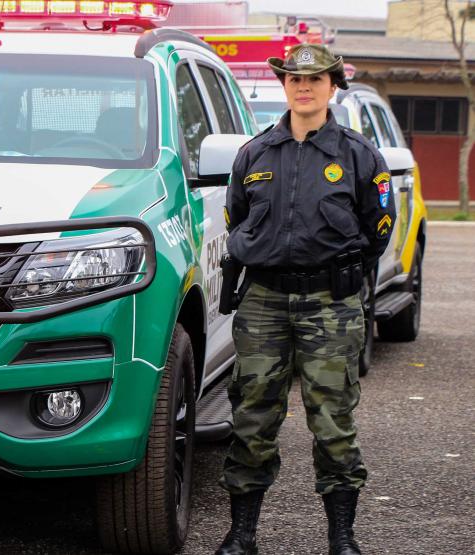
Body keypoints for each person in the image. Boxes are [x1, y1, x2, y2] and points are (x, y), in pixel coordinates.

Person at [215, 44, 396, 555]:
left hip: (330, 303)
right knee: (251, 418)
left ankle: (343, 537)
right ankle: (242, 535)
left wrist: (337, 268)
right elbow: (237, 218)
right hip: (264, 302)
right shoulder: (254, 153)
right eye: (295, 78)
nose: (304, 86)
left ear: (332, 85)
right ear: (285, 86)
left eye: (315, 79)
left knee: (333, 420)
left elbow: (378, 227)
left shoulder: (359, 155)